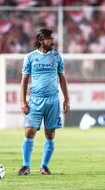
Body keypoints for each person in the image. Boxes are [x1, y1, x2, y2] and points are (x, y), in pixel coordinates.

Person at [18, 28, 70, 175]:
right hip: (35, 100)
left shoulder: (57, 57)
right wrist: (23, 101)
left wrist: (67, 99)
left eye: (52, 39)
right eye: (49, 39)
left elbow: (62, 79)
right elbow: (24, 80)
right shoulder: (30, 57)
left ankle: (44, 166)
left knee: (50, 134)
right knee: (29, 132)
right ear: (41, 40)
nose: (52, 42)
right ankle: (25, 166)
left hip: (53, 100)